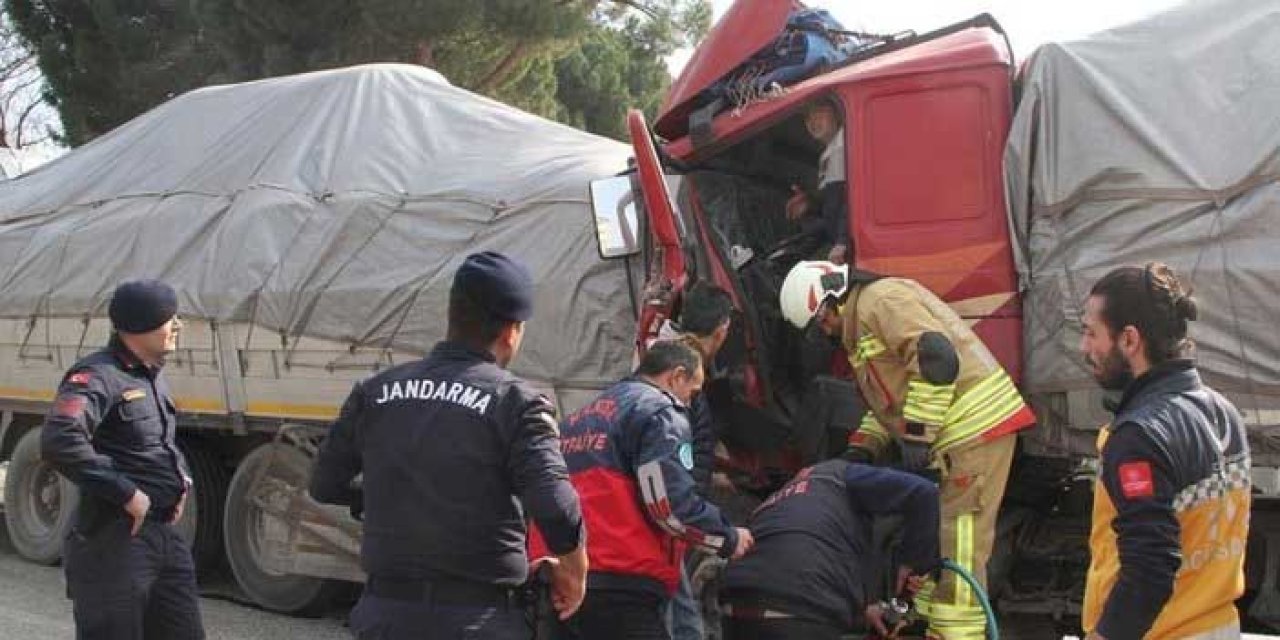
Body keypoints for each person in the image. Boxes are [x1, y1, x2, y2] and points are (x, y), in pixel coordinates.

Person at [310, 251, 587, 640]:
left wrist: (380, 498)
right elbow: (555, 507)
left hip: (384, 616)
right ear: (511, 331)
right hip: (476, 620)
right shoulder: (516, 404)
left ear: (452, 316)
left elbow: (322, 484)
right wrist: (575, 570)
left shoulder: (374, 392)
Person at [777, 261, 1035, 640]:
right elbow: (888, 404)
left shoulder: (881, 300)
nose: (823, 329)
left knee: (959, 545)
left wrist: (917, 435)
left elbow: (936, 359)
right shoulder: (862, 324)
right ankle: (927, 625)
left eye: (820, 320)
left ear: (831, 298)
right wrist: (861, 451)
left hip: (973, 431)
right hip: (957, 435)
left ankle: (957, 633)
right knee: (936, 544)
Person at [533, 339, 752, 640]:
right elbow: (668, 505)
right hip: (624, 583)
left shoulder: (579, 419)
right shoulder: (660, 412)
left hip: (564, 581)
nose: (690, 403)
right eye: (693, 392)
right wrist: (728, 537)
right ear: (676, 377)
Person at [1079, 263, 1249, 640]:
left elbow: (1150, 567)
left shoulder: (1137, 435)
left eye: (1092, 333)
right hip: (1219, 626)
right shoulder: (1224, 412)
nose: (1084, 347)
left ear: (1129, 340)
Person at [41, 279, 203, 640]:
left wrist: (179, 480)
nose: (178, 325)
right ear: (139, 324)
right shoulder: (96, 375)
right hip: (114, 540)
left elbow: (151, 443)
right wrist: (127, 493)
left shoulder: (151, 378)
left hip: (161, 537)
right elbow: (60, 439)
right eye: (168, 317)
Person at [721, 458, 940, 640]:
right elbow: (924, 492)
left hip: (733, 606)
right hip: (803, 607)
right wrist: (912, 564)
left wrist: (865, 607)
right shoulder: (839, 475)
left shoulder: (775, 505)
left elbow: (815, 550)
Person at [662, 281, 736, 640]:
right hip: (670, 521)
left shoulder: (664, 357)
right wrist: (721, 530)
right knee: (682, 622)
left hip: (670, 517)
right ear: (722, 331)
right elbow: (677, 451)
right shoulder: (686, 378)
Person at [783, 102, 849, 264]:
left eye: (819, 113)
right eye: (807, 118)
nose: (812, 122)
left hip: (848, 248)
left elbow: (853, 199)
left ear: (837, 113)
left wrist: (842, 241)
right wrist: (809, 205)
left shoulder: (845, 145)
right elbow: (833, 208)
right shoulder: (828, 153)